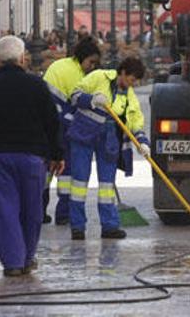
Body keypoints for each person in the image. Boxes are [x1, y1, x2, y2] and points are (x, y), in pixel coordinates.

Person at [0, 36, 64, 277]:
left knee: (5, 211)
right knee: (32, 211)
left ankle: (13, 262)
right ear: (23, 58)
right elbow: (53, 123)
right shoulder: (37, 85)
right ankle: (28, 256)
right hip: (33, 159)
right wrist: (57, 155)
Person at [67, 57, 149, 241]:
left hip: (108, 138)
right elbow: (73, 95)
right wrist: (91, 100)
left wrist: (142, 142)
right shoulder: (99, 77)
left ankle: (110, 226)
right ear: (123, 72)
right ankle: (77, 227)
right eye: (131, 79)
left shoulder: (129, 95)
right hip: (83, 134)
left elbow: (135, 120)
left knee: (106, 184)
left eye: (135, 81)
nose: (132, 84)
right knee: (79, 182)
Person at [42, 37, 102, 225]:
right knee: (66, 171)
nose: (92, 67)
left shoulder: (59, 65)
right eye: (91, 62)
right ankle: (64, 214)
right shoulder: (77, 76)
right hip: (63, 127)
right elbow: (79, 106)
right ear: (82, 58)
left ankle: (38, 213)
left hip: (46, 125)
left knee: (45, 172)